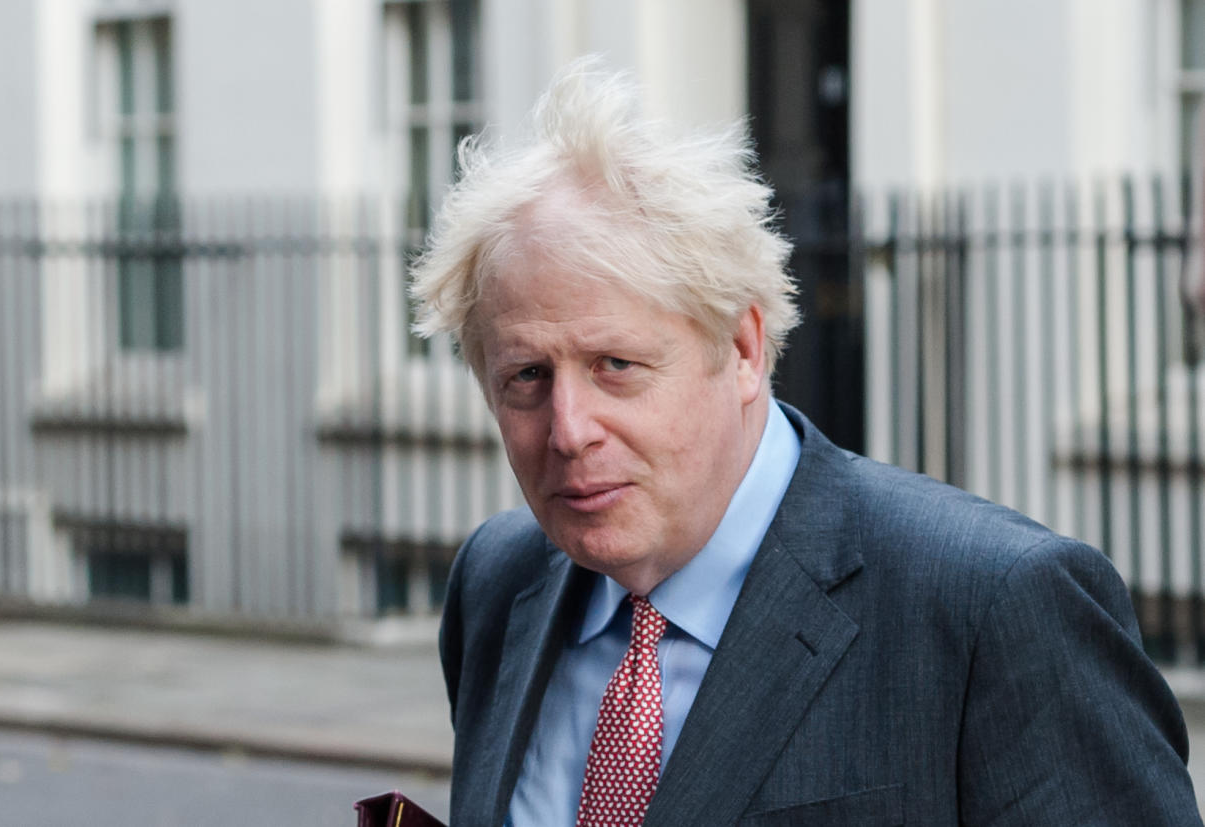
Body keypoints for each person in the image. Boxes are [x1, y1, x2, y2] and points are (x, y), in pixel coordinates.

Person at [410, 58, 1201, 826]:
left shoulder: (993, 607)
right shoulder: (497, 580)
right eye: (526, 377)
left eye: (617, 365)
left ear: (746, 348)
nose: (570, 430)